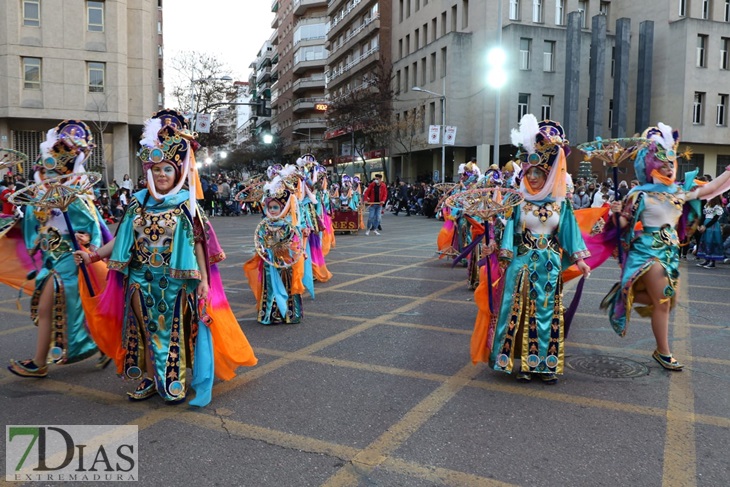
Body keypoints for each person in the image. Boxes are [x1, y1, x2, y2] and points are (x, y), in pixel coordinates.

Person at [75, 110, 256, 405]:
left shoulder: (187, 206)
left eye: (167, 169)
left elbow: (200, 246)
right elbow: (122, 241)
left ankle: (174, 381)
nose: (161, 174)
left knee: (173, 331)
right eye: (156, 169)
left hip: (176, 281)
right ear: (149, 170)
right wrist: (92, 256)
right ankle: (149, 379)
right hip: (139, 279)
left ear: (178, 173)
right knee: (143, 330)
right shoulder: (137, 203)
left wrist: (204, 282)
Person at [602, 123, 730, 370]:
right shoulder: (639, 195)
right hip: (648, 252)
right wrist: (616, 212)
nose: (670, 167)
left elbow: (711, 190)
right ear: (650, 166)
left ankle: (622, 295)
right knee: (662, 300)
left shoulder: (678, 192)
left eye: (672, 163)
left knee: (668, 302)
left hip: (670, 253)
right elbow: (622, 224)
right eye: (664, 163)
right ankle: (663, 352)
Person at [488, 115, 591, 384]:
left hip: (549, 267)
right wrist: (502, 255)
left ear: (549, 176)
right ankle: (521, 364)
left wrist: (580, 261)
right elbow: (509, 233)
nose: (533, 178)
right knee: (520, 314)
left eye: (539, 173)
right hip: (521, 266)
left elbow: (570, 234)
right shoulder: (518, 204)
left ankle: (545, 366)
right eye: (529, 173)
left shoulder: (561, 205)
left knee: (547, 314)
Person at [7, 120, 112, 378]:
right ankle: (103, 343)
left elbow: (93, 226)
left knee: (48, 306)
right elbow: (33, 225)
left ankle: (39, 361)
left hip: (69, 258)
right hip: (50, 259)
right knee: (69, 308)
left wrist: (87, 241)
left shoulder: (75, 194)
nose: (50, 174)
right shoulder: (39, 193)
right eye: (47, 168)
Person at [244, 173, 306, 324]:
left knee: (287, 287)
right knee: (269, 287)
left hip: (285, 263)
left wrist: (294, 251)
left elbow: (296, 243)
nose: (272, 210)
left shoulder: (288, 225)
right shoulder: (265, 224)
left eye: (275, 207)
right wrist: (263, 250)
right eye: (270, 207)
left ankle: (289, 314)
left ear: (283, 208)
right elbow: (259, 240)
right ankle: (270, 315)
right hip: (269, 262)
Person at [695, 195, 725, 268]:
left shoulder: (717, 207)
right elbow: (703, 216)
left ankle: (712, 262)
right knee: (706, 241)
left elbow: (715, 219)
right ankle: (706, 260)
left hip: (713, 226)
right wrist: (700, 225)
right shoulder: (707, 206)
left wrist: (705, 226)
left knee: (712, 242)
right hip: (706, 224)